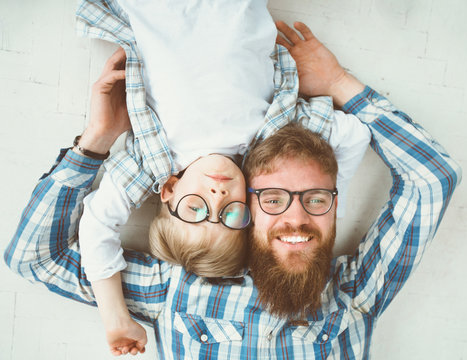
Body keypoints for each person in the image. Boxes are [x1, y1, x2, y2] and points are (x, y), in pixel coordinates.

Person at [5, 18, 462, 360]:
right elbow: (34, 261)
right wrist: (338, 84)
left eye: (316, 201)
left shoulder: (356, 291)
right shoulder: (178, 287)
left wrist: (95, 146)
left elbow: (33, 259)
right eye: (277, 200)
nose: (297, 218)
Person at [75, 0, 371, 355]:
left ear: (170, 190)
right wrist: (320, 202)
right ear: (251, 202)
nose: (216, 194)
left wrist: (116, 318)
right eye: (231, 214)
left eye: (196, 208)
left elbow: (97, 226)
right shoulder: (271, 142)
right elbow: (354, 134)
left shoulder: (155, 161)